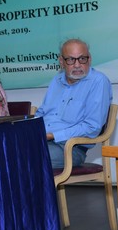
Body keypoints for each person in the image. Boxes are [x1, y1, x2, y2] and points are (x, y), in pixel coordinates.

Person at [36, 38, 113, 169]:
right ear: (61, 62)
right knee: (8, 150)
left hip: (70, 148)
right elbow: (42, 113)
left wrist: (52, 135)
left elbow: (92, 127)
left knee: (27, 157)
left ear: (90, 59)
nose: (77, 65)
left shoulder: (98, 81)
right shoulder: (56, 80)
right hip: (43, 141)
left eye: (82, 59)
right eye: (71, 60)